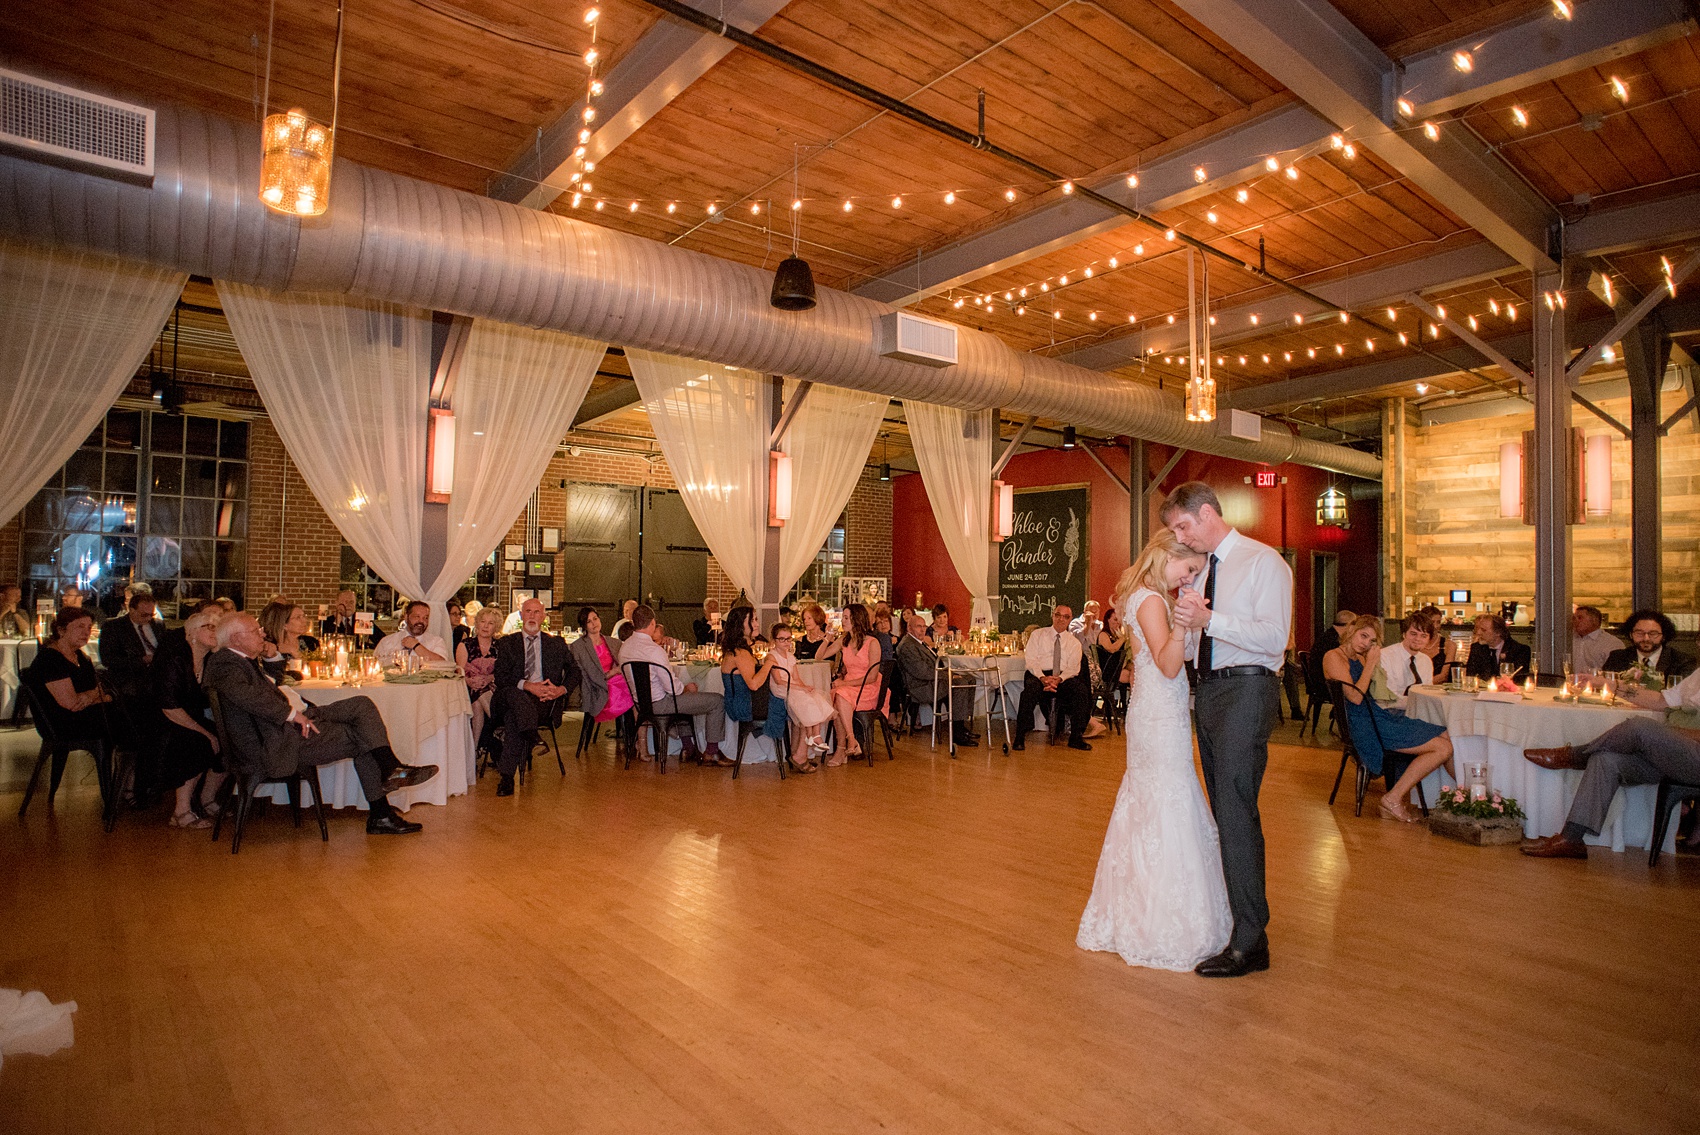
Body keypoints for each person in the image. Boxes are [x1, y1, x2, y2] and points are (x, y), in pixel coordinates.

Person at [1077, 528, 1230, 970]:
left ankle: (1159, 908)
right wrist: (1183, 624)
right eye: (1188, 569)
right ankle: (1160, 918)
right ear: (1167, 554)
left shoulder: (1149, 597)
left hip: (1162, 713)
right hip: (1159, 716)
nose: (1189, 579)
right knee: (1167, 800)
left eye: (1195, 573)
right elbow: (1166, 665)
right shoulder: (1149, 599)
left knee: (1161, 799)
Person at [1164, 480, 1292, 978]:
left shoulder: (1263, 563)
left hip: (1247, 690)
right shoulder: (1204, 571)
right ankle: (1242, 922)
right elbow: (1202, 633)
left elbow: (1275, 637)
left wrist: (1209, 618)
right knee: (1225, 810)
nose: (1181, 537)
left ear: (1208, 513)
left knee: (1236, 811)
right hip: (1212, 690)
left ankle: (1250, 941)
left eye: (1183, 526)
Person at [201, 614, 436, 835]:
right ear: (236, 638)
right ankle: (382, 809)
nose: (262, 634)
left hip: (290, 724)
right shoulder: (225, 663)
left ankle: (389, 773)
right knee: (362, 735)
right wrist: (291, 714)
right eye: (255, 631)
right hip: (274, 743)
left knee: (361, 705)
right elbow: (248, 697)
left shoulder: (240, 660)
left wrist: (272, 657)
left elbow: (274, 683)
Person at [1520, 664, 1700, 858]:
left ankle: (1574, 756)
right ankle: (1571, 839)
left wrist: (1666, 735)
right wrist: (1608, 684)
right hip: (1673, 756)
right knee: (1604, 759)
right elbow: (1662, 700)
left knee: (1639, 727)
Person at [1324, 615, 1455, 823]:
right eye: (1363, 636)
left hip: (1378, 715)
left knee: (1447, 734)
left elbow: (1379, 694)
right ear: (1351, 631)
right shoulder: (1333, 656)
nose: (1366, 643)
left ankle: (1459, 798)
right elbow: (1356, 697)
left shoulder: (1360, 657)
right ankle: (1393, 798)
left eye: (1371, 640)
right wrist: (1371, 663)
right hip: (1363, 723)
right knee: (1443, 748)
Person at [619, 605, 729, 765]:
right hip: (661, 704)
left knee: (682, 698)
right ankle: (711, 752)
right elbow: (674, 689)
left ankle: (688, 747)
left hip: (640, 705)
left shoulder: (625, 647)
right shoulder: (654, 650)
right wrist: (686, 688)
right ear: (652, 623)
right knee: (717, 700)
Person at [490, 598, 577, 796]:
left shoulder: (555, 644)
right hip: (509, 697)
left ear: (544, 617)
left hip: (543, 701)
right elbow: (501, 677)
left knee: (515, 718)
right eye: (528, 611)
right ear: (521, 616)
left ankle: (506, 778)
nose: (532, 616)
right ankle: (532, 734)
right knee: (515, 696)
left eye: (537, 612)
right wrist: (528, 686)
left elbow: (575, 671)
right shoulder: (507, 643)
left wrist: (561, 689)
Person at [153, 606, 228, 829]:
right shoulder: (175, 660)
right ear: (191, 634)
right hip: (163, 721)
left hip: (189, 718)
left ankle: (207, 799)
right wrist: (204, 731)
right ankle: (181, 811)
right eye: (209, 627)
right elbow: (169, 706)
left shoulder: (209, 662)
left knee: (229, 739)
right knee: (199, 742)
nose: (215, 632)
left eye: (218, 628)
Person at [718, 607, 805, 771]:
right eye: (753, 620)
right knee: (796, 707)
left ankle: (796, 755)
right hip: (744, 705)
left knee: (794, 703)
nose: (757, 624)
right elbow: (754, 684)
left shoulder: (738, 649)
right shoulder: (740, 652)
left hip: (743, 701)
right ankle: (798, 756)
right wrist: (769, 664)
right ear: (740, 626)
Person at [25, 607, 113, 749]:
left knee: (133, 713)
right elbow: (72, 703)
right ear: (61, 630)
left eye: (89, 627)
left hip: (86, 714)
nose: (87, 632)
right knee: (131, 721)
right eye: (80, 626)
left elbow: (103, 692)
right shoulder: (50, 659)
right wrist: (95, 694)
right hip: (63, 723)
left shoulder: (81, 657)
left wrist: (90, 696)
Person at [1013, 605, 1092, 752]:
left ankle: (1076, 737)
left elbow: (1074, 668)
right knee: (1029, 691)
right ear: (1052, 616)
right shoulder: (1038, 634)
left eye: (1065, 617)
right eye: (1058, 615)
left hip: (1063, 678)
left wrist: (1059, 679)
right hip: (1039, 674)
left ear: (1070, 619)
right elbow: (1031, 661)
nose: (1061, 619)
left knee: (1081, 690)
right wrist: (1043, 678)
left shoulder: (1074, 643)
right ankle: (1019, 737)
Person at [894, 611, 978, 748]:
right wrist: (949, 675)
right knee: (960, 683)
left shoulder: (918, 642)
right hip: (921, 686)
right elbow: (922, 672)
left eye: (924, 626)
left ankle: (961, 724)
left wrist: (949, 673)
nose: (922, 629)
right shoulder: (907, 646)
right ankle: (957, 733)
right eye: (918, 627)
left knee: (969, 679)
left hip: (932, 680)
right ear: (909, 628)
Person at [769, 621, 836, 764]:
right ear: (774, 640)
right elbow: (779, 681)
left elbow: (797, 678)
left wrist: (805, 687)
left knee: (815, 696)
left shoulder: (791, 657)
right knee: (804, 699)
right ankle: (812, 736)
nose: (786, 642)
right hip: (781, 688)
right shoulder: (772, 657)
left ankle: (815, 734)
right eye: (782, 639)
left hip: (792, 686)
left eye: (788, 639)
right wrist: (800, 688)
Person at [828, 603, 884, 766]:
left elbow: (872, 677)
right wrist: (828, 638)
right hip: (849, 688)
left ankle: (842, 748)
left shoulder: (873, 643)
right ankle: (851, 740)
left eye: (846, 618)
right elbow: (820, 655)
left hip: (868, 688)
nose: (843, 621)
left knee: (840, 694)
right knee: (839, 696)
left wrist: (845, 684)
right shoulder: (844, 641)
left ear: (856, 619)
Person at [568, 606, 634, 734]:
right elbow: (591, 676)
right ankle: (632, 737)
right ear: (584, 626)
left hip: (616, 682)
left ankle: (632, 737)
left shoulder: (612, 642)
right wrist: (614, 672)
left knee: (633, 686)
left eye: (595, 618)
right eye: (589, 621)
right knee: (632, 693)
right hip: (597, 687)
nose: (594, 623)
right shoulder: (579, 647)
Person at [99, 590, 163, 698]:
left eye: (151, 615)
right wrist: (142, 660)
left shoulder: (157, 625)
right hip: (131, 677)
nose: (148, 618)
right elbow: (108, 660)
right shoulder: (114, 627)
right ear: (132, 610)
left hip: (159, 673)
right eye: (144, 615)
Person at [1602, 609, 1694, 681]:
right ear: (1631, 634)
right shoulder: (1617, 657)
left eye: (1653, 633)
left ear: (1664, 635)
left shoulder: (1682, 661)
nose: (1646, 638)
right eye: (1639, 633)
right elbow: (1606, 685)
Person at [457, 606, 501, 753]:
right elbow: (459, 672)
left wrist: (489, 678)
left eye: (490, 623)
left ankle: (473, 751)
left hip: (492, 687)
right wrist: (470, 681)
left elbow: (502, 672)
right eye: (483, 622)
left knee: (477, 702)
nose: (486, 626)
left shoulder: (499, 646)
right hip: (467, 687)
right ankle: (499, 725)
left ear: (496, 627)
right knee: (477, 696)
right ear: (477, 623)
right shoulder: (465, 645)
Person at [1377, 613, 1437, 706]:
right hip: (1390, 711)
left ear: (1429, 639)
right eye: (1413, 634)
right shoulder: (1385, 656)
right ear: (1404, 634)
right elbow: (1389, 698)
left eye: (1423, 636)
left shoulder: (1426, 661)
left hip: (1418, 710)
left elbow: (1427, 693)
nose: (1418, 639)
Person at [257, 600, 315, 684]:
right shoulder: (270, 647)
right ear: (285, 625)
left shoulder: (310, 642)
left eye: (304, 616)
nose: (304, 621)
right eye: (298, 617)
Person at [375, 600, 448, 667]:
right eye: (417, 616)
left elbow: (442, 664)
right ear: (406, 617)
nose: (421, 621)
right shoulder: (387, 641)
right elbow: (375, 665)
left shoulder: (436, 642)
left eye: (425, 618)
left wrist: (416, 646)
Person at [1464, 614, 1532, 683]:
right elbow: (1470, 676)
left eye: (1483, 630)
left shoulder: (1520, 651)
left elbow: (1519, 681)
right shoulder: (1476, 648)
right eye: (1476, 629)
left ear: (1498, 632)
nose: (1478, 633)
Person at [1095, 605, 1130, 720]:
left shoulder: (1117, 635)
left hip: (1118, 669)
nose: (1118, 622)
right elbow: (1111, 649)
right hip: (1107, 672)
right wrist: (1123, 638)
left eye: (1119, 620)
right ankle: (1130, 706)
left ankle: (1128, 705)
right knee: (1134, 677)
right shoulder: (1103, 634)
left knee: (1136, 671)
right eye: (1115, 619)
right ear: (1108, 620)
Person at [1570, 605, 1621, 676]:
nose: (1575, 621)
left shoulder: (1611, 643)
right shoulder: (1568, 640)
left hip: (1598, 684)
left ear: (1594, 620)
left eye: (1580, 618)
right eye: (1573, 618)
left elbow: (1616, 673)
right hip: (1571, 683)